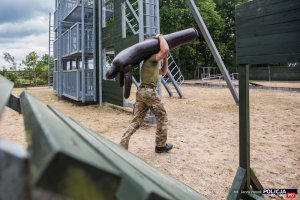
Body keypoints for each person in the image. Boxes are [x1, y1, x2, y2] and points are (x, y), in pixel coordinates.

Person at [120, 34, 173, 153]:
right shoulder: (151, 59)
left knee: (137, 121)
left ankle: (123, 144)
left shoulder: (151, 64)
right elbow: (165, 49)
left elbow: (163, 72)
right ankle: (160, 146)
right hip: (149, 92)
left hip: (142, 93)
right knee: (162, 116)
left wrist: (165, 58)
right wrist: (160, 37)